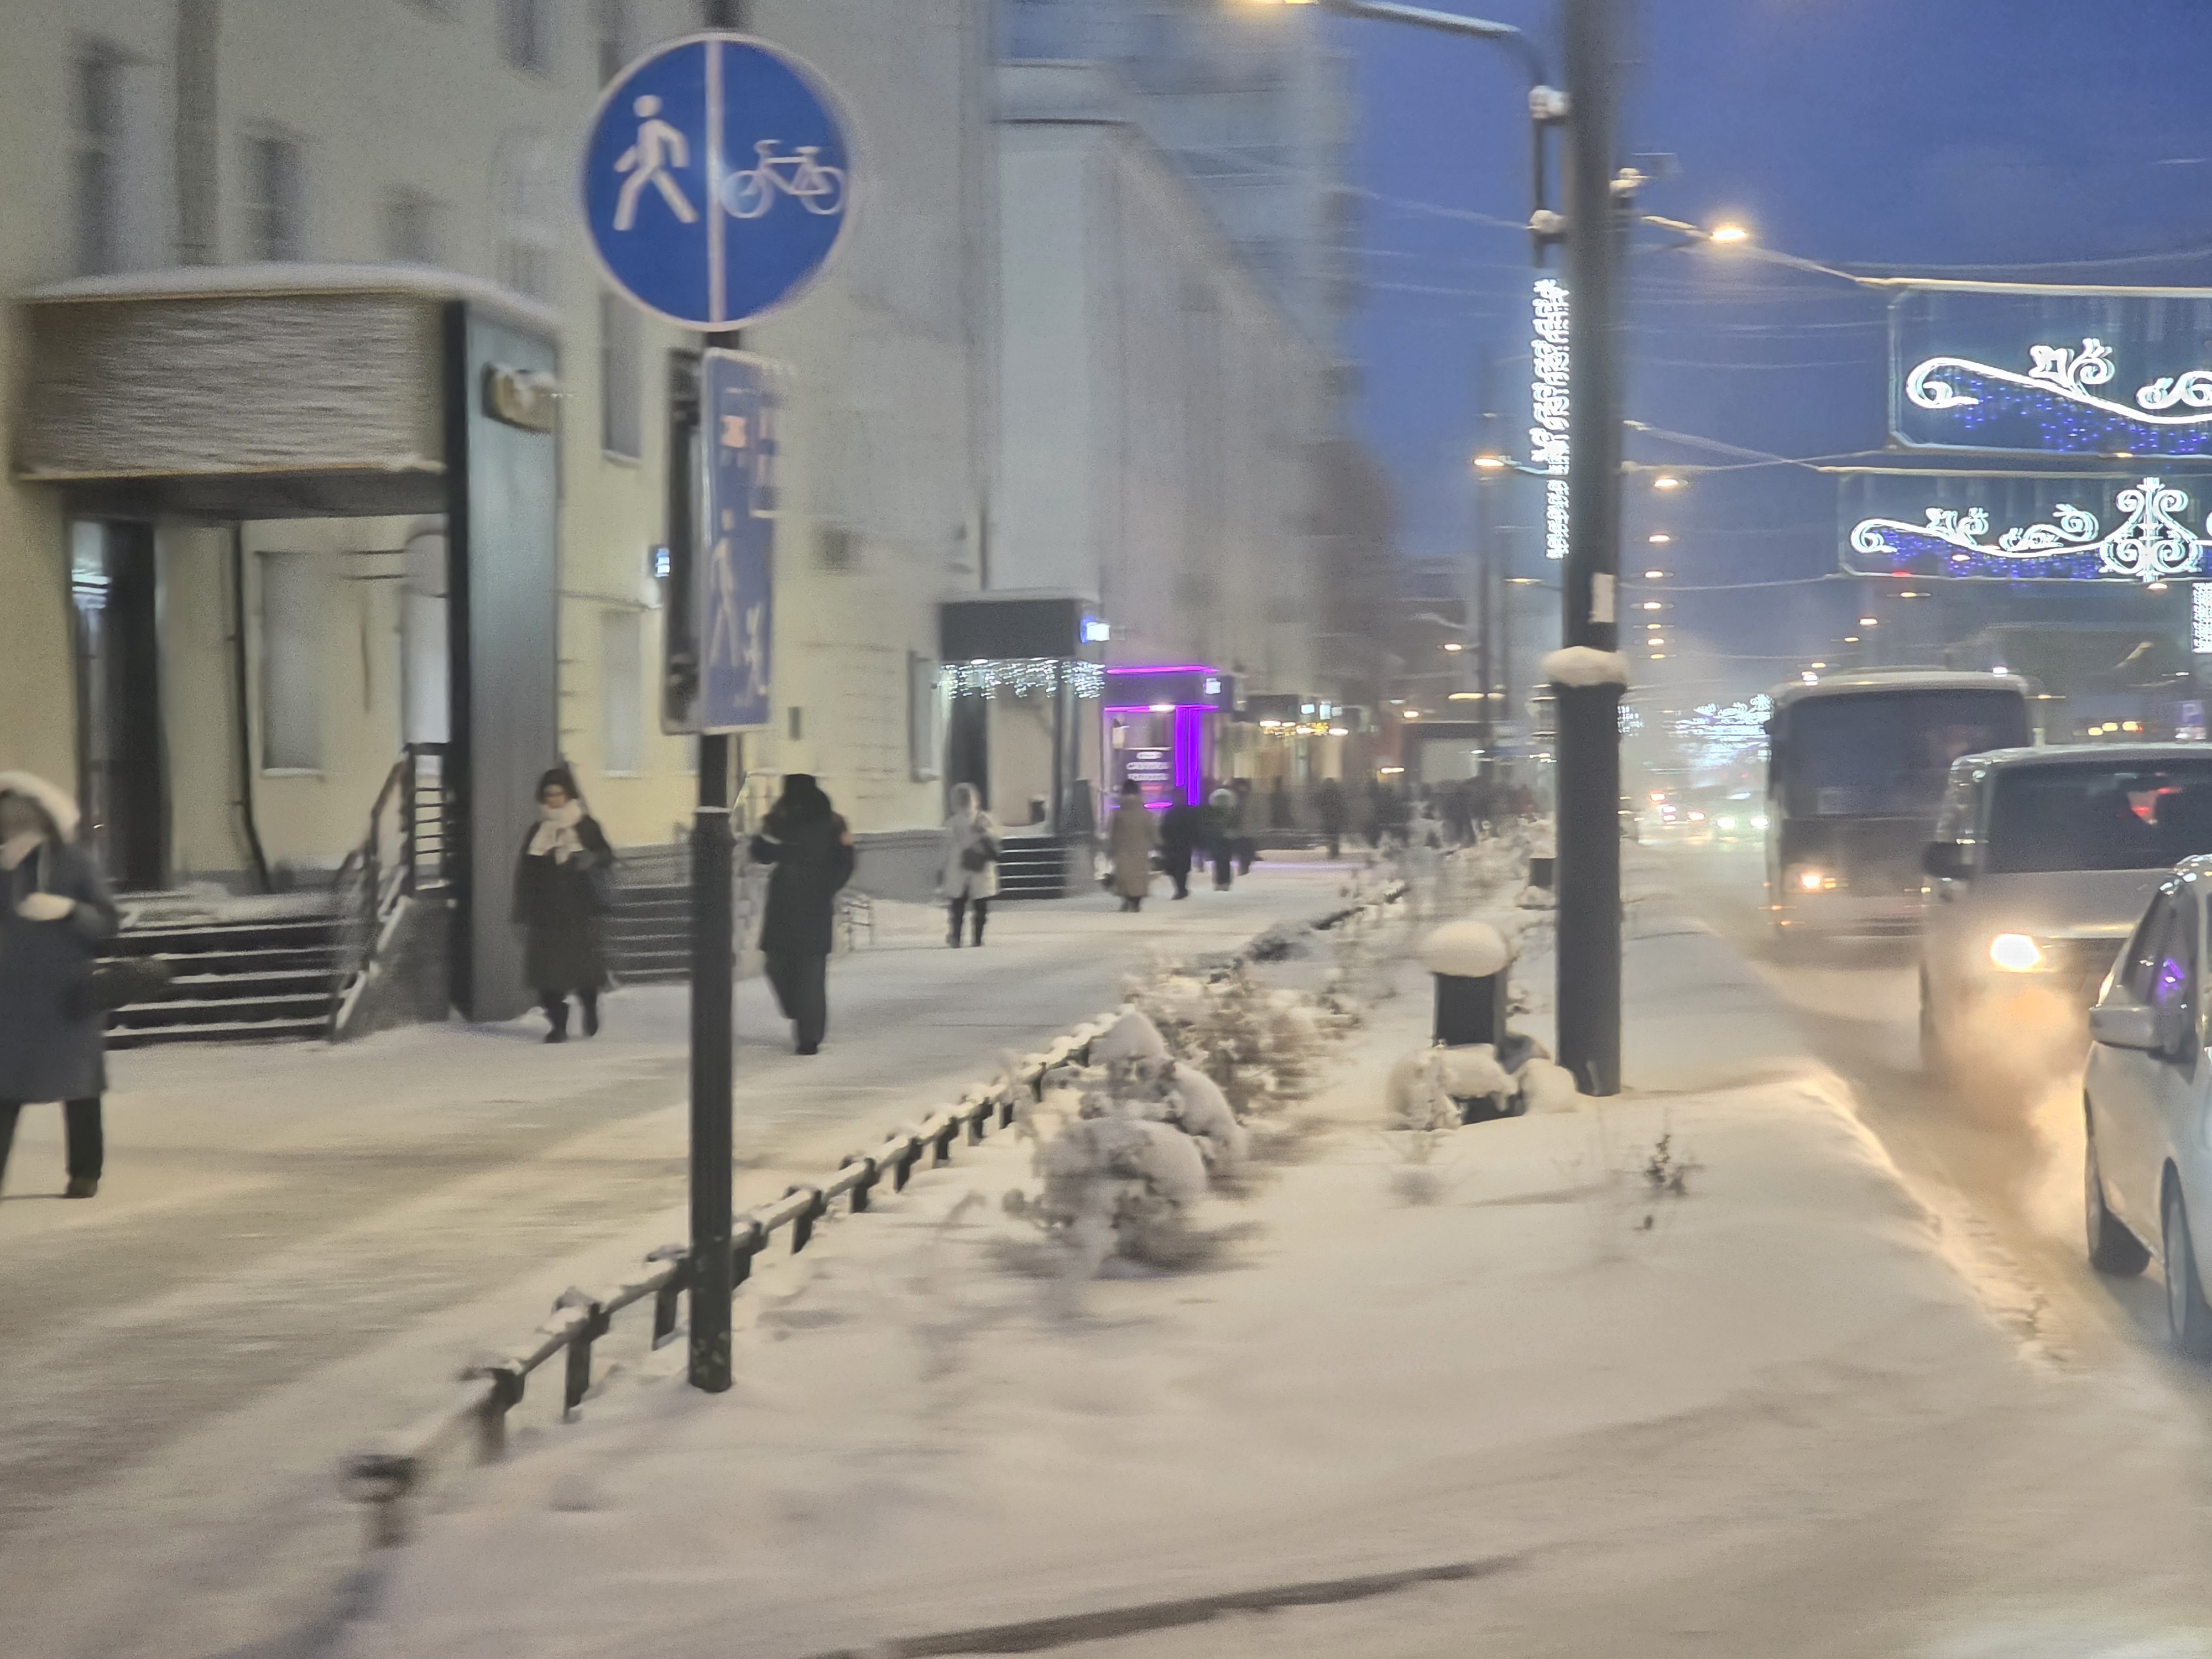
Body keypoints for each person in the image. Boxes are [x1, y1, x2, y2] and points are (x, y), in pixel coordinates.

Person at [0, 772, 119, 1198]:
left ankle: (86, 1174)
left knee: (81, 1090)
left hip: (68, 995)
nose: (14, 829)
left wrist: (69, 910)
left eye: (21, 820)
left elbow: (107, 926)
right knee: (4, 1089)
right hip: (10, 997)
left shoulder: (75, 862)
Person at [750, 774, 854, 1055]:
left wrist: (826, 886)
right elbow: (760, 852)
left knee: (807, 971)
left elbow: (845, 860)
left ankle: (809, 1036)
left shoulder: (832, 822)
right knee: (784, 967)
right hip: (788, 903)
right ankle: (800, 1013)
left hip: (809, 903)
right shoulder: (779, 819)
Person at [513, 768, 613, 1044]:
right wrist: (522, 912)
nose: (554, 799)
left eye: (559, 793)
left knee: (585, 973)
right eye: (549, 794)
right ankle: (558, 1024)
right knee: (547, 979)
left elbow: (607, 855)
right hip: (546, 917)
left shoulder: (586, 826)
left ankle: (590, 1006)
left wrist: (591, 858)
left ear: (569, 794)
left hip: (580, 914)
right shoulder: (538, 832)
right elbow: (526, 875)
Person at [941, 782, 999, 947]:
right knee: (981, 906)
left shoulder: (953, 822)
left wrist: (943, 866)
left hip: (959, 867)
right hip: (980, 867)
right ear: (975, 800)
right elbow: (994, 839)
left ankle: (956, 937)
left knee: (957, 905)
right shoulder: (983, 819)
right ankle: (978, 938)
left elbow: (947, 845)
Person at [1107, 780, 1155, 911]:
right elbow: (1152, 830)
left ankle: (1126, 899)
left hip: (1123, 849)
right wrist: (1157, 844)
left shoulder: (1119, 813)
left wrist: (1110, 849)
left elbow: (1113, 833)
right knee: (1138, 876)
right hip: (1141, 850)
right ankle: (1136, 902)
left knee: (1124, 875)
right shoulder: (1145, 813)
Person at [1158, 788, 1202, 900]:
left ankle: (1181, 889)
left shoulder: (1184, 811)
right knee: (1175, 867)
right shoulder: (1172, 811)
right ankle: (1181, 889)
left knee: (1181, 867)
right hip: (1175, 843)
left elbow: (1195, 827)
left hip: (1182, 842)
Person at [1206, 785, 1239, 890]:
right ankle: (1225, 881)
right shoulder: (1231, 811)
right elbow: (1234, 824)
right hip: (1228, 837)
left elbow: (1210, 825)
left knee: (1218, 860)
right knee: (1226, 860)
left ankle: (1220, 881)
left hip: (1217, 837)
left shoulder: (1213, 812)